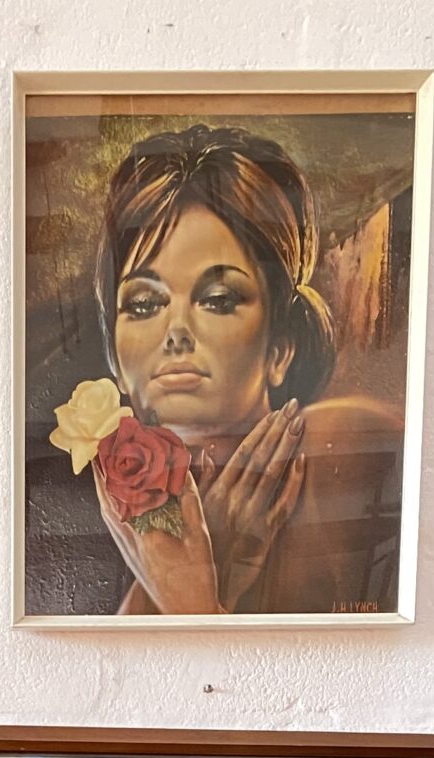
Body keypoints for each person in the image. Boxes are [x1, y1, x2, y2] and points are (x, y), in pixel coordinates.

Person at [85, 124, 403, 616]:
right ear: (117, 363)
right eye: (145, 304)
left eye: (217, 299)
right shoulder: (131, 512)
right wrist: (204, 580)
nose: (176, 333)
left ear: (281, 347)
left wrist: (186, 591)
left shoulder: (343, 439)